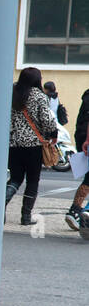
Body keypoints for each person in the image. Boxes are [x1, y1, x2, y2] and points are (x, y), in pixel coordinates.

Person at [6, 67, 58, 226]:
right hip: (33, 145)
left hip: (13, 144)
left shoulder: (11, 93)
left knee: (15, 178)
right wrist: (53, 133)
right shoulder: (39, 96)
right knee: (33, 180)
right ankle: (26, 217)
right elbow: (47, 120)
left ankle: (0, 204)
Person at [66, 88, 89, 231]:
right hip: (86, 138)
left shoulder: (87, 95)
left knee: (88, 177)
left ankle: (75, 211)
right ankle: (81, 213)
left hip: (81, 137)